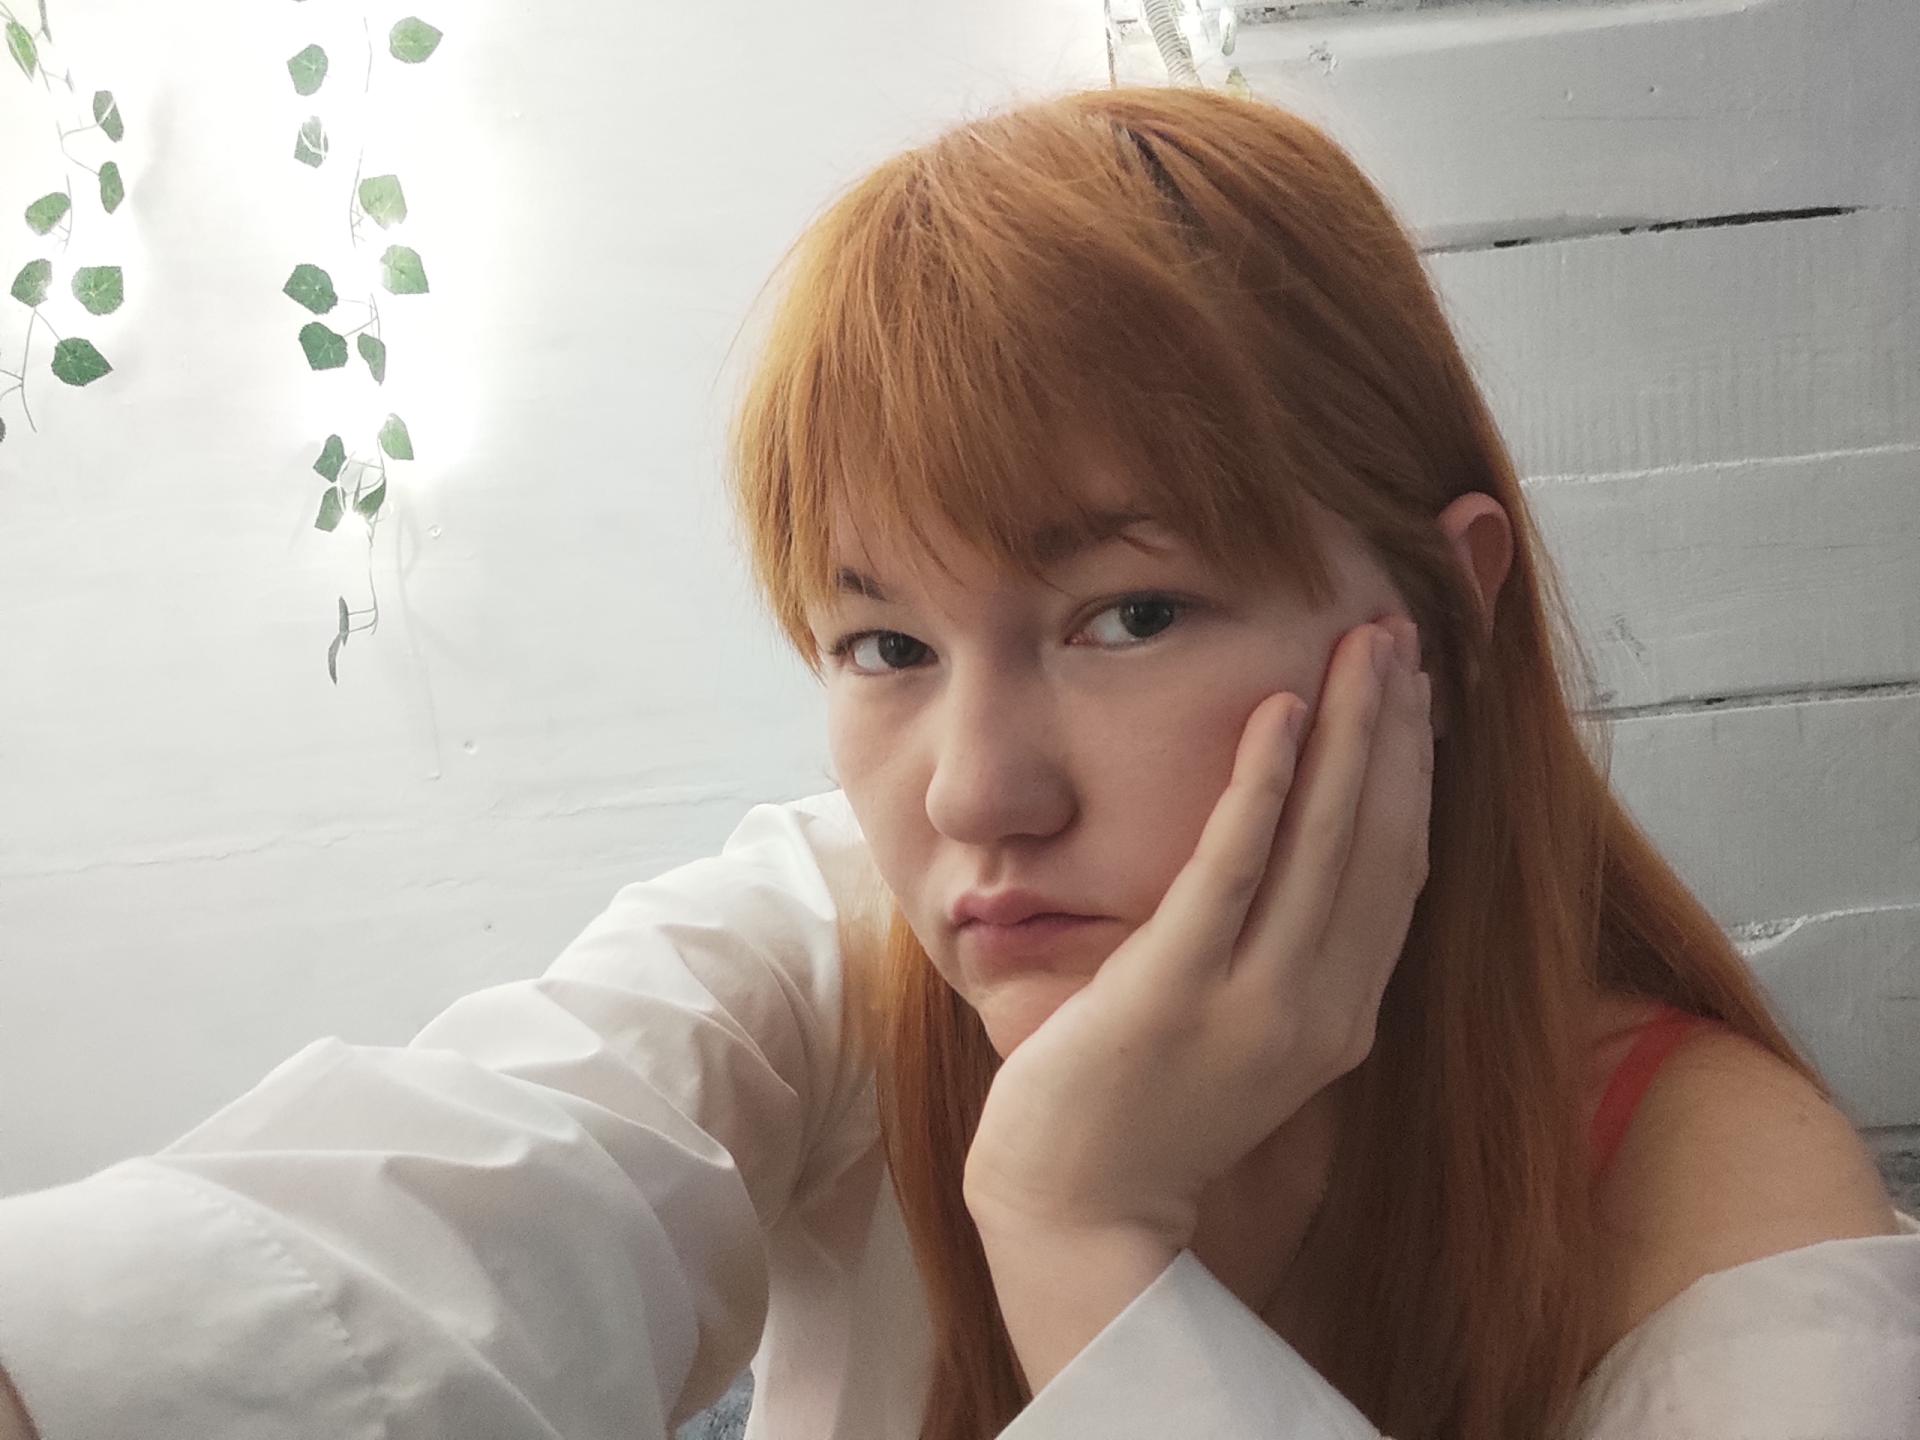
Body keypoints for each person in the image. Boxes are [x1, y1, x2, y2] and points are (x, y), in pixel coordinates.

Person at [1, 83, 1914, 1440]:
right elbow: (422, 1228)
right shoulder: (837, 955)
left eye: (1129, 615)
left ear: (1449, 610)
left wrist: (1085, 1233)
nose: (975, 796)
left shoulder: (1713, 1201)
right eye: (885, 648)